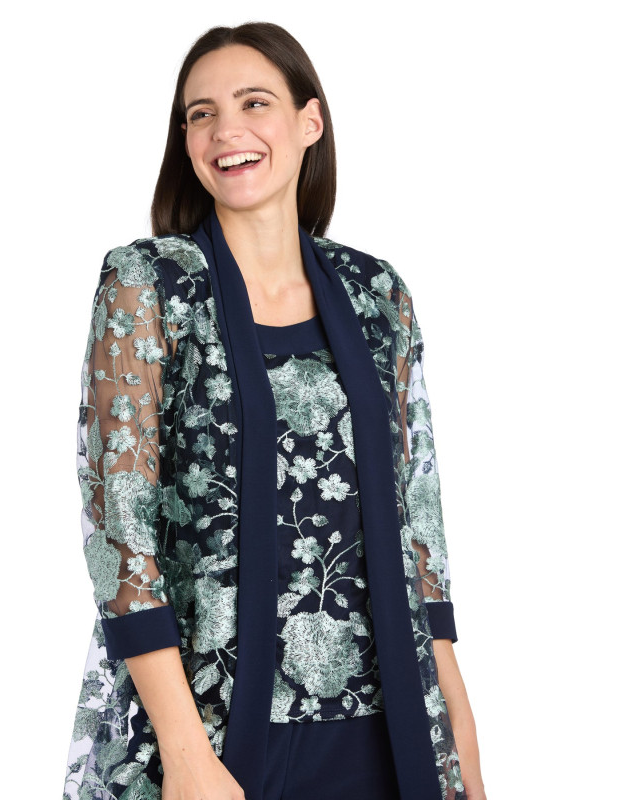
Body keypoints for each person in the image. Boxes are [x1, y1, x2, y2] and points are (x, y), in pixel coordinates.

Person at [63, 21, 486, 800]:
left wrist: (460, 731)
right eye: (201, 113)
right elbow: (119, 533)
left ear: (309, 122)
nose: (227, 130)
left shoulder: (377, 294)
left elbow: (418, 524)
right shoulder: (149, 285)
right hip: (214, 734)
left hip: (389, 735)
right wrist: (187, 758)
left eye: (254, 103)